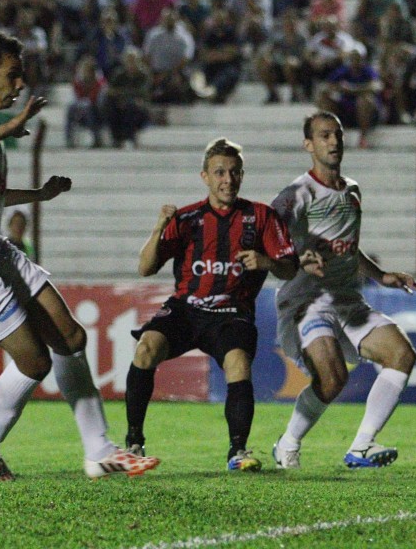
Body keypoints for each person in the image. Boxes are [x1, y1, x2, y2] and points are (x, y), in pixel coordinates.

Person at [0, 31, 159, 481]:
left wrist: (38, 194)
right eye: (12, 76)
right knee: (34, 362)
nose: (18, 86)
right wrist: (11, 129)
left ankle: (99, 451)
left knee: (71, 338)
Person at [124, 138, 304, 471]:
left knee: (238, 363)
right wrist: (159, 227)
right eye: (220, 172)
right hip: (185, 309)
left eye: (234, 173)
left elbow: (290, 267)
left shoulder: (260, 216)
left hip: (231, 314)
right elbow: (145, 268)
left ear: (242, 175)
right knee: (146, 348)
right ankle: (134, 443)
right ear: (205, 176)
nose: (228, 180)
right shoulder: (188, 218)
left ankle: (238, 452)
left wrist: (266, 262)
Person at [271, 111, 416, 470]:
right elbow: (267, 243)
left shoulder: (351, 190)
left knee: (402, 354)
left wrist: (380, 275)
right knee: (333, 378)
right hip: (306, 302)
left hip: (347, 299)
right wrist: (297, 258)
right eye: (324, 136)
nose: (333, 142)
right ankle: (288, 443)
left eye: (337, 134)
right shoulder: (297, 195)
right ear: (308, 145)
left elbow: (347, 247)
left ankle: (361, 447)